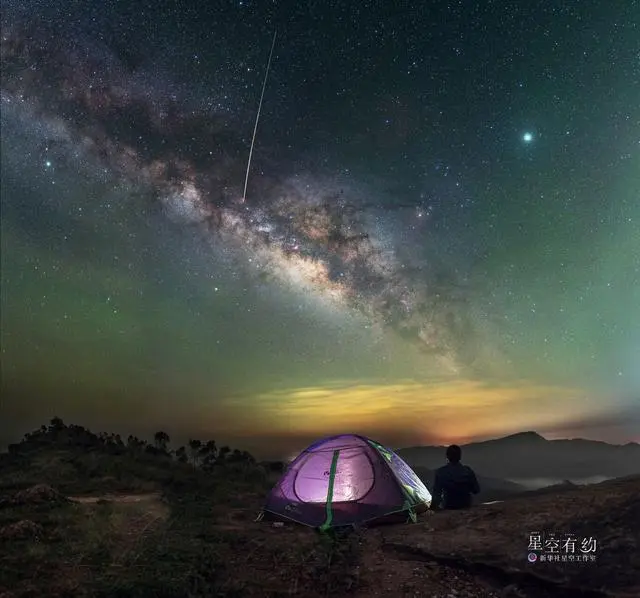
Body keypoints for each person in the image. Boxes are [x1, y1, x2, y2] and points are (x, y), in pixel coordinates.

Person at [430, 444, 480, 510]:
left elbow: (436, 496)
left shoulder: (441, 472)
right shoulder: (468, 471)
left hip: (448, 508)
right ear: (460, 457)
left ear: (447, 456)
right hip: (466, 507)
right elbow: (476, 490)